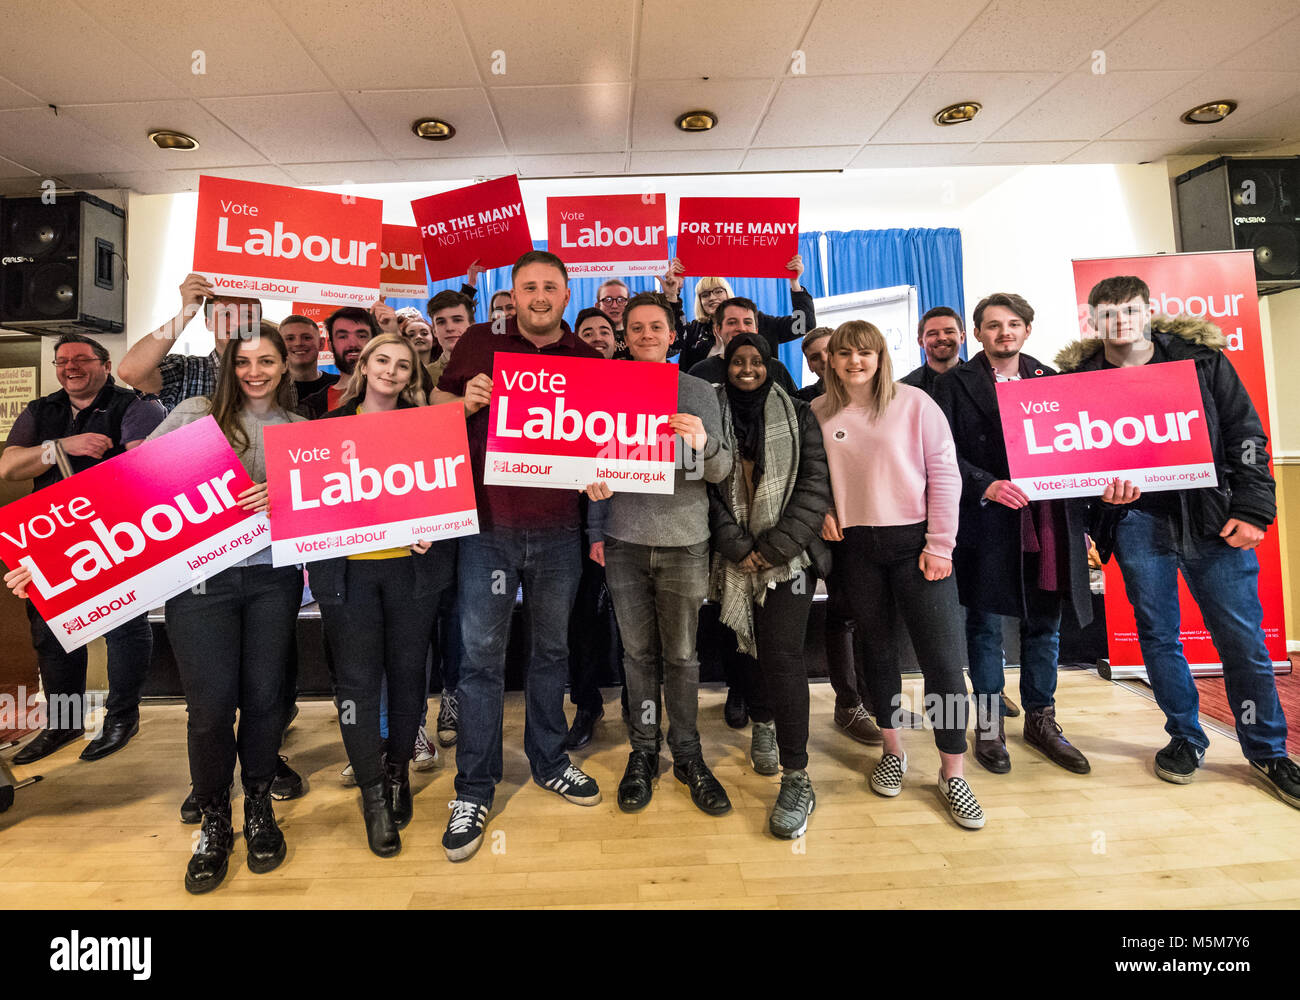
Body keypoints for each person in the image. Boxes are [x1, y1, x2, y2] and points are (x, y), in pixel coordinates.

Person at [1057, 275, 1299, 808]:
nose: (1121, 321)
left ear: (1149, 313)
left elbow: (1247, 436)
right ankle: (1186, 738)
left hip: (1213, 520)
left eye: (1131, 311)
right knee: (1158, 637)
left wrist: (1255, 508)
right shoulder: (1078, 380)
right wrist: (1104, 500)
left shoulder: (1202, 361)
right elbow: (1079, 461)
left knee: (1242, 641)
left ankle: (1268, 749)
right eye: (1109, 313)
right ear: (1093, 321)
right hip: (1138, 522)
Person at [433, 250, 604, 862]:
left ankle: (549, 759)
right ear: (512, 294)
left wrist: (602, 474)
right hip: (486, 528)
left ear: (565, 293)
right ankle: (474, 788)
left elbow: (600, 444)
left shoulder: (589, 359)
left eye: (549, 287)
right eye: (528, 286)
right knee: (481, 660)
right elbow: (431, 416)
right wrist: (465, 403)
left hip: (560, 531)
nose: (538, 296)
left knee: (551, 651)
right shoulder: (480, 341)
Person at [933, 293, 1134, 776]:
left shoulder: (1056, 383)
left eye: (1014, 324)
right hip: (986, 522)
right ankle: (987, 725)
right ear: (976, 333)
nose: (1004, 332)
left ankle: (1042, 720)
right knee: (983, 627)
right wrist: (986, 484)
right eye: (993, 325)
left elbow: (1080, 450)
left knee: (1044, 624)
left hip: (1050, 522)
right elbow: (940, 454)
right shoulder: (952, 386)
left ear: (1027, 330)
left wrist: (1100, 496)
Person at [142, 324, 305, 893]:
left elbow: (324, 513)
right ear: (227, 367)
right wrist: (47, 564)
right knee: (210, 710)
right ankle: (214, 818)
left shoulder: (303, 431)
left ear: (285, 365)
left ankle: (259, 804)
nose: (254, 372)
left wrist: (282, 497)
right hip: (200, 586)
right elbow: (133, 488)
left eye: (266, 361)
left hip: (272, 581)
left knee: (264, 702)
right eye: (242, 362)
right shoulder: (192, 413)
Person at [813, 320, 983, 829]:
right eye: (844, 353)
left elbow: (945, 473)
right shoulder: (819, 411)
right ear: (832, 360)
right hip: (856, 550)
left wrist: (940, 544)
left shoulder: (914, 404)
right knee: (877, 657)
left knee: (944, 665)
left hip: (917, 546)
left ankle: (954, 772)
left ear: (881, 356)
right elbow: (811, 475)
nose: (854, 362)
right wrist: (821, 507)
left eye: (865, 352)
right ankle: (893, 750)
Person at [583, 292, 733, 816]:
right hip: (623, 539)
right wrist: (593, 511)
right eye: (637, 327)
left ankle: (688, 754)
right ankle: (643, 751)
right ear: (624, 336)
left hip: (686, 542)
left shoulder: (697, 390)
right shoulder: (603, 389)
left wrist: (702, 445)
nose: (647, 334)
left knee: (683, 657)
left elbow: (720, 471)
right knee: (637, 656)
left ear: (673, 335)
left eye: (656, 327)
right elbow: (584, 461)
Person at [309, 334, 454, 855]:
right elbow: (311, 505)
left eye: (403, 365)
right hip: (347, 579)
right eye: (382, 361)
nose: (391, 372)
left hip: (412, 576)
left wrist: (435, 525)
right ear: (363, 366)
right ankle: (372, 793)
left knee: (410, 676)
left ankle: (398, 774)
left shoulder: (430, 430)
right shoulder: (325, 431)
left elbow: (448, 497)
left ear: (413, 375)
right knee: (357, 684)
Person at [1, 334, 165, 764]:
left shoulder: (135, 405)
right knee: (50, 632)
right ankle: (64, 723)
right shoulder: (42, 409)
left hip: (116, 532)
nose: (70, 367)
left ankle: (121, 718)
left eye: (81, 360)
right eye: (62, 361)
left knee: (124, 626)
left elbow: (142, 460)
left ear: (106, 365)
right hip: (49, 535)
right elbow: (9, 465)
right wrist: (61, 448)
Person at [708, 332, 828, 838]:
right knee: (744, 651)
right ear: (727, 366)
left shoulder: (799, 413)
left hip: (790, 558)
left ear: (769, 366)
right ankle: (760, 724)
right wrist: (737, 546)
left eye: (757, 361)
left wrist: (774, 547)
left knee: (781, 655)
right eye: (739, 361)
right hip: (732, 557)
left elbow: (815, 484)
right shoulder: (711, 412)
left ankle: (798, 776)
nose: (748, 369)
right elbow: (703, 485)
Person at [117, 272, 261, 413]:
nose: (237, 322)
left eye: (246, 315)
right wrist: (186, 312)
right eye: (226, 314)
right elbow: (130, 372)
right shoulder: (187, 371)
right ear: (209, 323)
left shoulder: (276, 373)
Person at [671, 256, 814, 372]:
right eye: (705, 294)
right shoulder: (693, 331)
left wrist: (794, 283)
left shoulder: (758, 321)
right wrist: (673, 293)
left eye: (718, 291)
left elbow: (803, 325)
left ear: (728, 293)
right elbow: (671, 343)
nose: (712, 298)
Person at [689, 298, 800, 395]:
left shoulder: (777, 369)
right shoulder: (700, 372)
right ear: (718, 330)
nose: (741, 328)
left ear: (756, 330)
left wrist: (795, 285)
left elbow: (804, 325)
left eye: (747, 322)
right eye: (732, 322)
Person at [300, 307, 377, 417]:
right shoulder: (309, 407)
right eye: (343, 337)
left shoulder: (394, 394)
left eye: (361, 336)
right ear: (331, 345)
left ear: (374, 342)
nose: (353, 344)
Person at [899, 306, 964, 395]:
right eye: (933, 334)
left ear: (962, 337)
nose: (942, 338)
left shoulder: (981, 379)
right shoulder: (904, 389)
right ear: (921, 342)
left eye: (949, 332)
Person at [281, 314, 338, 402]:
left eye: (307, 338)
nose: (298, 343)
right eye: (290, 338)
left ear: (321, 343)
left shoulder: (339, 385)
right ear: (279, 345)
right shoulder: (269, 389)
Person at [425, 289, 475, 386]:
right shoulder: (425, 376)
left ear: (472, 326)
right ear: (434, 330)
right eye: (441, 322)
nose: (449, 328)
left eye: (457, 320)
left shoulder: (492, 366)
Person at [794, 326, 833, 402]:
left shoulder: (862, 391)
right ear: (810, 365)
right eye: (815, 357)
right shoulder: (801, 400)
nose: (824, 359)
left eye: (829, 351)